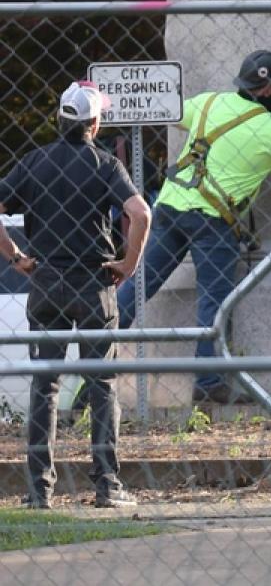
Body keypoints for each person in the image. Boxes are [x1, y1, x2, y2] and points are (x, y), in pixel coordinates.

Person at [118, 50, 271, 405]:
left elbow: (170, 111)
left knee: (138, 288)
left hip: (170, 205)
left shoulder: (209, 103)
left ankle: (92, 366)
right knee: (213, 302)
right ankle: (209, 383)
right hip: (212, 222)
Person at [0, 81, 151, 510]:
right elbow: (140, 213)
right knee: (101, 383)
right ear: (95, 123)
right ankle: (107, 484)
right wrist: (128, 263)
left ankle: (38, 492)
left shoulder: (33, 162)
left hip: (45, 280)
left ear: (60, 119)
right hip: (93, 283)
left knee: (44, 386)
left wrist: (16, 257)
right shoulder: (105, 165)